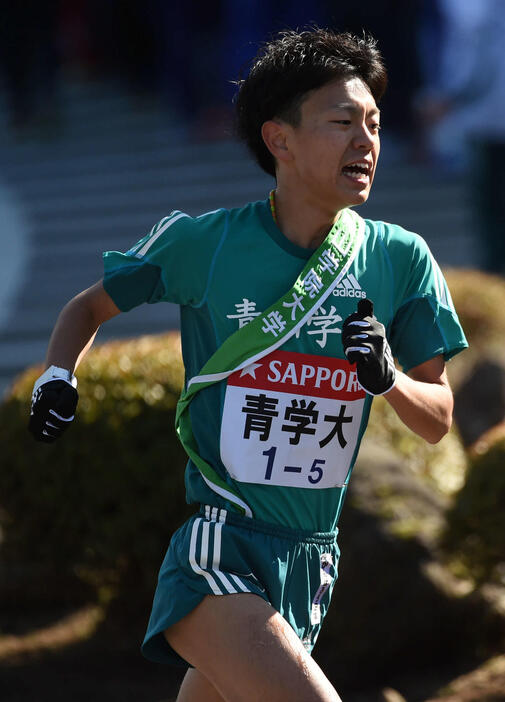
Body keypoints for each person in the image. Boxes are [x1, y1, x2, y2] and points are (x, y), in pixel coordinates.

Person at [28, 29, 468, 702]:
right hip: (219, 550)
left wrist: (388, 379)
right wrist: (58, 378)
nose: (366, 142)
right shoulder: (204, 243)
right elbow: (86, 310)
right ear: (279, 139)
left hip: (311, 559)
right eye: (342, 121)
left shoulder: (399, 257)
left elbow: (438, 420)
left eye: (375, 125)